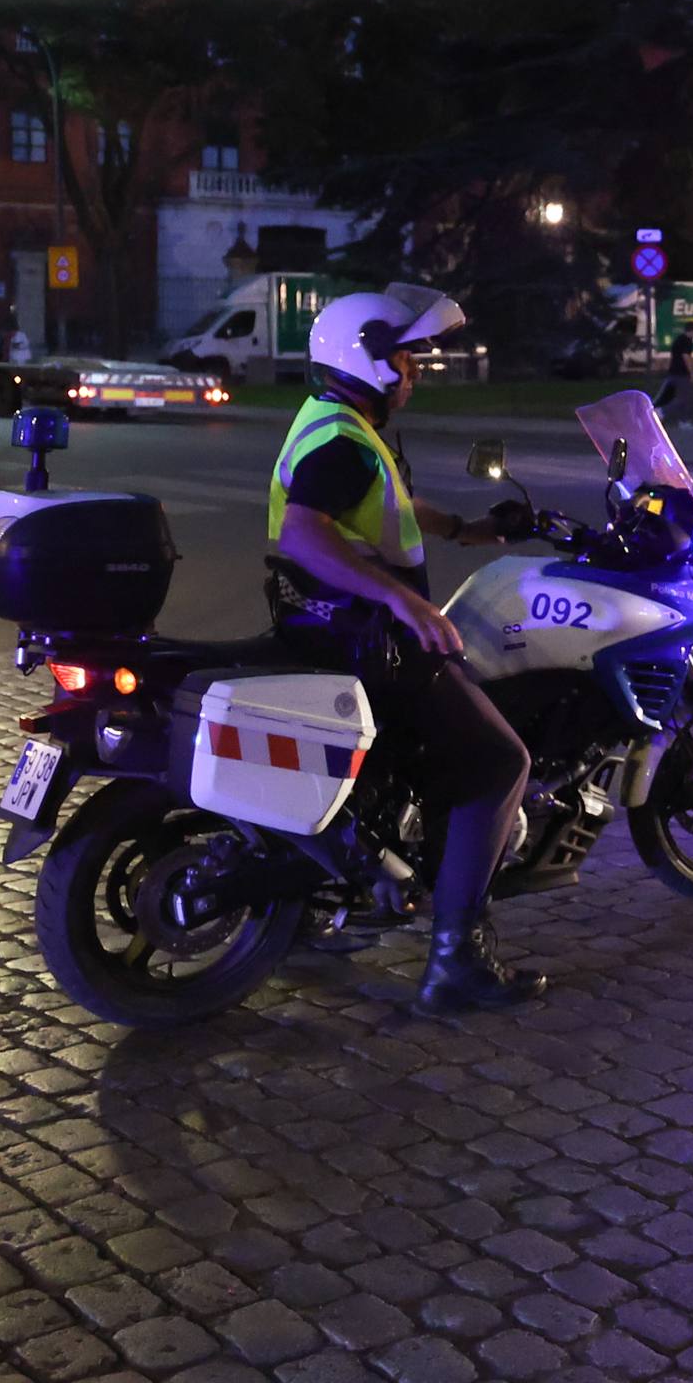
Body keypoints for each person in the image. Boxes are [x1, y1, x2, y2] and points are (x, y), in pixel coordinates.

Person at [264, 284, 543, 1013]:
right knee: (498, 761)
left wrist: (465, 529)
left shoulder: (340, 425)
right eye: (408, 357)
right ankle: (456, 961)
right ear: (371, 361)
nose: (417, 369)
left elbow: (384, 503)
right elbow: (304, 530)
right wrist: (403, 599)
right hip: (362, 635)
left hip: (323, 623)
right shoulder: (343, 442)